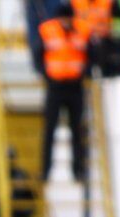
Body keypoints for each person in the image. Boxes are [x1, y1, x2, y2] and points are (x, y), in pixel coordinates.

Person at [35, 3, 91, 181]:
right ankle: (45, 170)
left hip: (75, 87)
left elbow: (91, 54)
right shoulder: (47, 30)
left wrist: (84, 73)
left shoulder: (83, 30)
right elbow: (38, 54)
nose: (65, 22)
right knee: (49, 129)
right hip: (55, 87)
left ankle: (78, 170)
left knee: (77, 129)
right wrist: (45, 74)